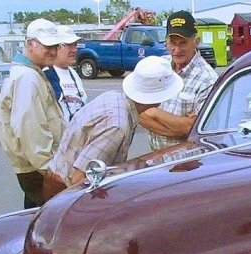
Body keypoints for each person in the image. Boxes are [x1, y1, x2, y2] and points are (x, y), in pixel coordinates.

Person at [45, 56, 184, 195]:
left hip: (58, 174)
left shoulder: (113, 97)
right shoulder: (117, 126)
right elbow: (80, 179)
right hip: (64, 190)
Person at [0, 18, 66, 209]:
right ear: (30, 44)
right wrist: (51, 170)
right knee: (46, 222)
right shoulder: (27, 78)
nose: (52, 51)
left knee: (35, 218)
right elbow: (30, 128)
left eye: (55, 45)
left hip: (37, 168)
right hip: (39, 170)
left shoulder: (32, 73)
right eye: (47, 45)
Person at [141, 10, 217, 151]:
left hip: (187, 165)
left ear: (196, 42)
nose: (176, 50)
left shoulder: (207, 79)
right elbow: (139, 113)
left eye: (182, 43)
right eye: (172, 43)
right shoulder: (159, 67)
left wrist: (154, 112)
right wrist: (177, 128)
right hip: (155, 158)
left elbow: (192, 128)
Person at [43, 25, 87, 121]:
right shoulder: (46, 75)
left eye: (75, 45)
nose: (74, 50)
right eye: (69, 45)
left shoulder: (73, 73)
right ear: (56, 47)